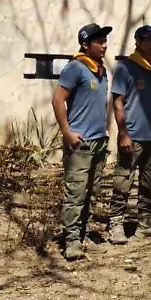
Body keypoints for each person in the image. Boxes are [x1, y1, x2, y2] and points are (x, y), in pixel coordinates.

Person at [50, 23, 112, 260]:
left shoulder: (101, 70)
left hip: (98, 141)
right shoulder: (75, 68)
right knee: (75, 193)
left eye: (105, 41)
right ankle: (71, 240)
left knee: (92, 192)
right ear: (86, 45)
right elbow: (58, 100)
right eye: (99, 41)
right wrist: (67, 132)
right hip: (80, 143)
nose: (104, 45)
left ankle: (83, 233)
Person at [109, 25, 151, 241]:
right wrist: (123, 133)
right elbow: (118, 101)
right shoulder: (125, 67)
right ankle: (116, 224)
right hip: (133, 136)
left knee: (150, 183)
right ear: (137, 41)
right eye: (148, 40)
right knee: (123, 181)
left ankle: (144, 223)